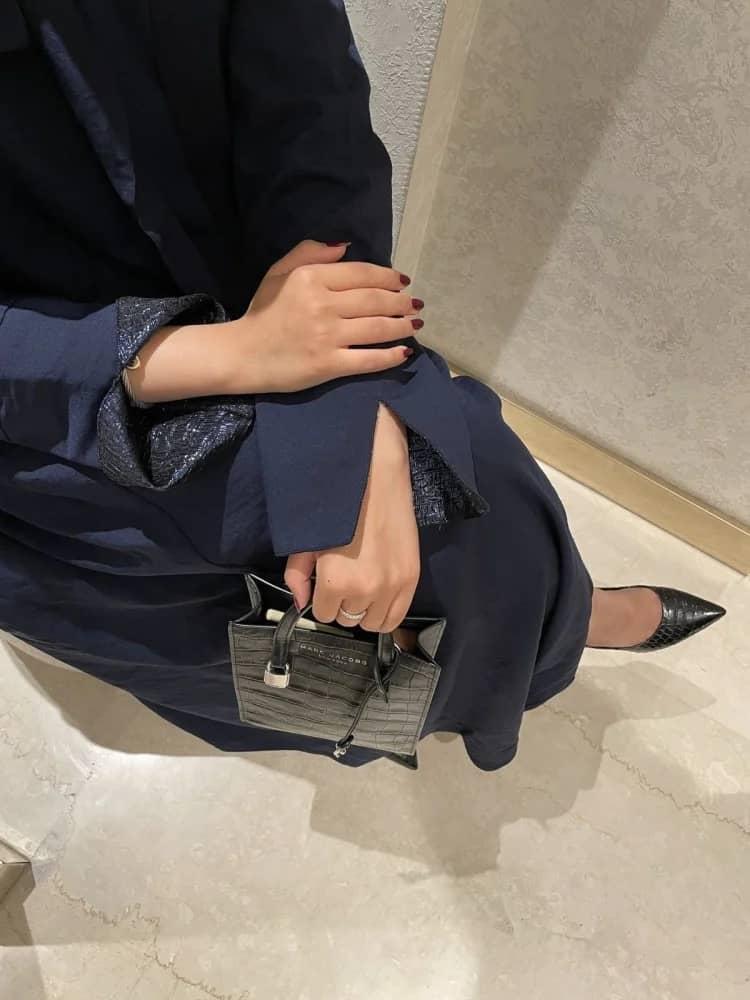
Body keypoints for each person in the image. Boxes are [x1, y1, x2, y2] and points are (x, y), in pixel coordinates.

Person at [0, 0, 725, 771]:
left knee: (459, 494)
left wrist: (344, 410)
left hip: (269, 283)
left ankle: (562, 623)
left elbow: (313, 111)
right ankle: (544, 637)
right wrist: (223, 354)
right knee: (294, 594)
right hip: (46, 402)